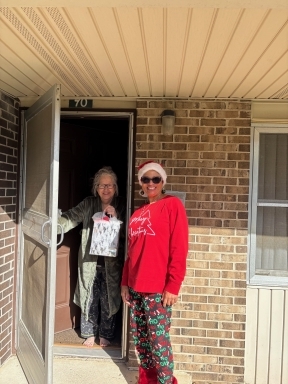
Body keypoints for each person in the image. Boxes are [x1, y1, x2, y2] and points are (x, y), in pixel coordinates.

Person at [121, 161, 188, 384]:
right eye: (146, 179)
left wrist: (173, 285)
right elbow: (131, 252)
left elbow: (179, 247)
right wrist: (124, 282)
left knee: (159, 342)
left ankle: (166, 381)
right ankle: (147, 380)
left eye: (155, 179)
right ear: (140, 182)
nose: (151, 183)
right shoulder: (138, 212)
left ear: (162, 182)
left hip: (158, 288)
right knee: (142, 340)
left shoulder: (172, 205)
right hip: (135, 286)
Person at [58, 167, 126, 347]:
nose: (106, 189)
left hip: (112, 263)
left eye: (110, 185)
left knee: (109, 297)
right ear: (96, 187)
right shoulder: (88, 204)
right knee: (89, 295)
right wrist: (54, 226)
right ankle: (88, 333)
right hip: (90, 261)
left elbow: (130, 231)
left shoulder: (122, 205)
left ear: (115, 187)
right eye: (102, 185)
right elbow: (71, 217)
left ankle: (105, 333)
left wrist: (117, 217)